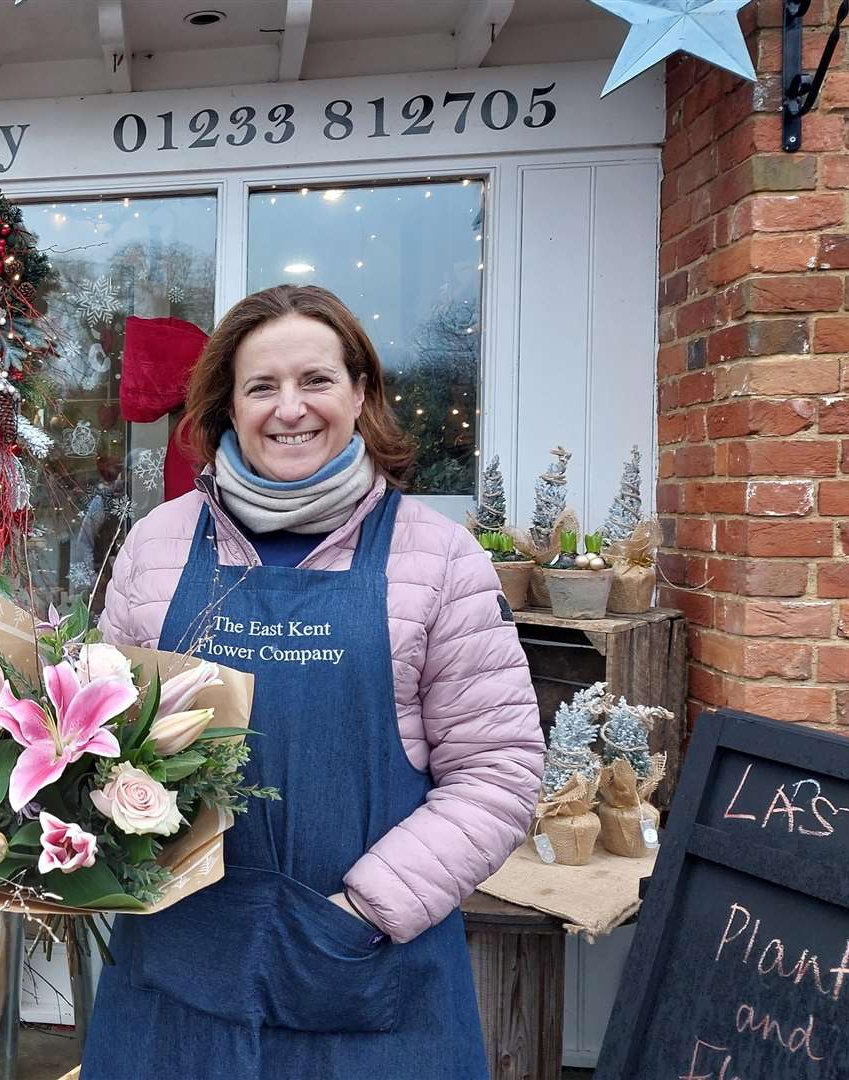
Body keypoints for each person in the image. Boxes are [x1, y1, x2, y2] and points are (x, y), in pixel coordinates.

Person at [81, 284, 541, 1079]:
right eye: (262, 386)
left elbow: (498, 770)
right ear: (228, 404)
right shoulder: (156, 546)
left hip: (367, 971)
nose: (289, 408)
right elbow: (97, 731)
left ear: (360, 392)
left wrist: (364, 912)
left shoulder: (437, 556)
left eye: (316, 380)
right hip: (179, 963)